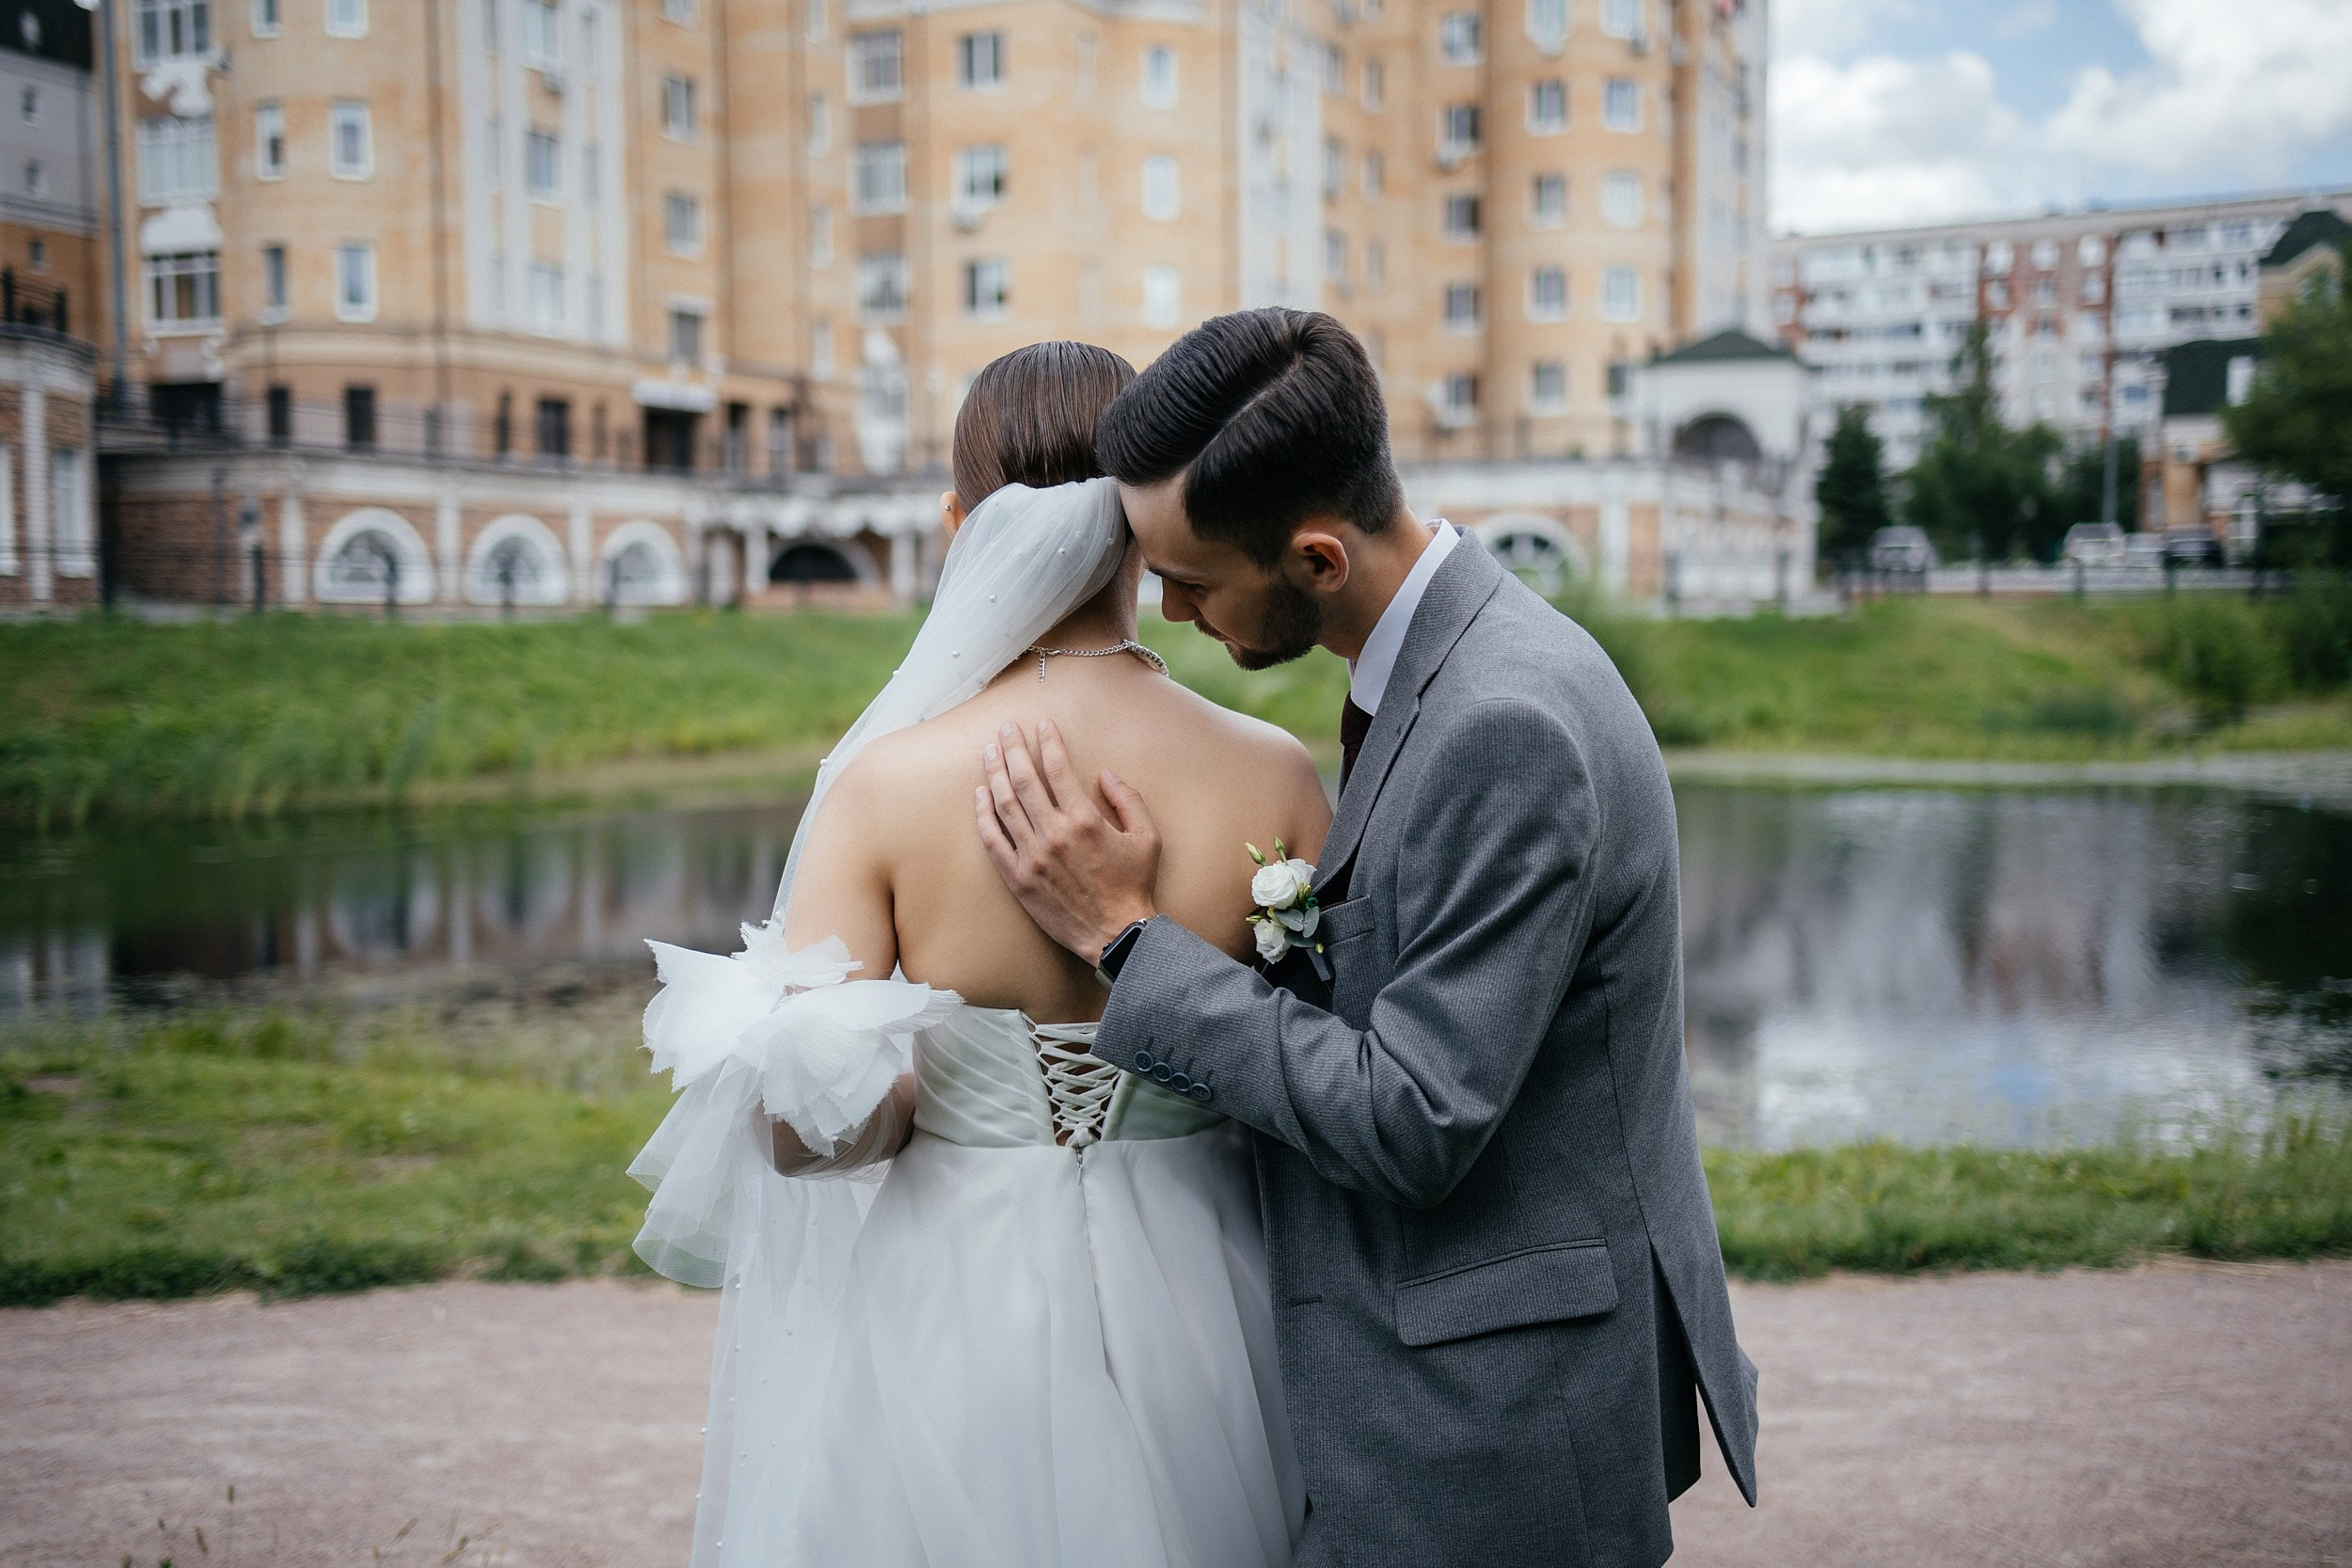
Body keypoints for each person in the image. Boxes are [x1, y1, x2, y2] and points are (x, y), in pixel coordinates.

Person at [977, 309, 1760, 1568]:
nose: (1167, 611)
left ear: (1318, 560)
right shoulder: (1441, 666)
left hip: (1492, 1415)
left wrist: (1127, 937)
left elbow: (1417, 1117)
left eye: (1191, 578)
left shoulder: (1505, 723)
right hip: (1454, 1377)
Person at [627, 340, 1329, 1568]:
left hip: (946, 1307)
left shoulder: (884, 787)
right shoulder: (1268, 772)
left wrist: (884, 1082)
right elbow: (1318, 1076)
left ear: (962, 524)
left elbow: (813, 1137)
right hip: (1212, 1299)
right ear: (1145, 519)